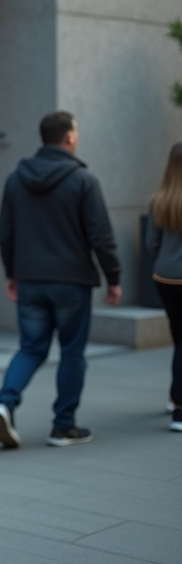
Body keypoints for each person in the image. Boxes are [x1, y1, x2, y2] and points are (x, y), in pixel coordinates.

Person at [0, 111, 121, 448]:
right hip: (71, 281)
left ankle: (5, 403)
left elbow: (5, 234)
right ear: (69, 138)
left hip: (30, 279)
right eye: (76, 131)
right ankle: (63, 427)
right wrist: (114, 278)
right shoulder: (83, 181)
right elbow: (101, 236)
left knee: (31, 348)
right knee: (72, 353)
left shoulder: (15, 179)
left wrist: (12, 274)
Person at [144, 142, 182, 432]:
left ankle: (173, 396)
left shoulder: (158, 200)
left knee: (179, 338)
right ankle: (180, 410)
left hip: (164, 278)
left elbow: (151, 245)